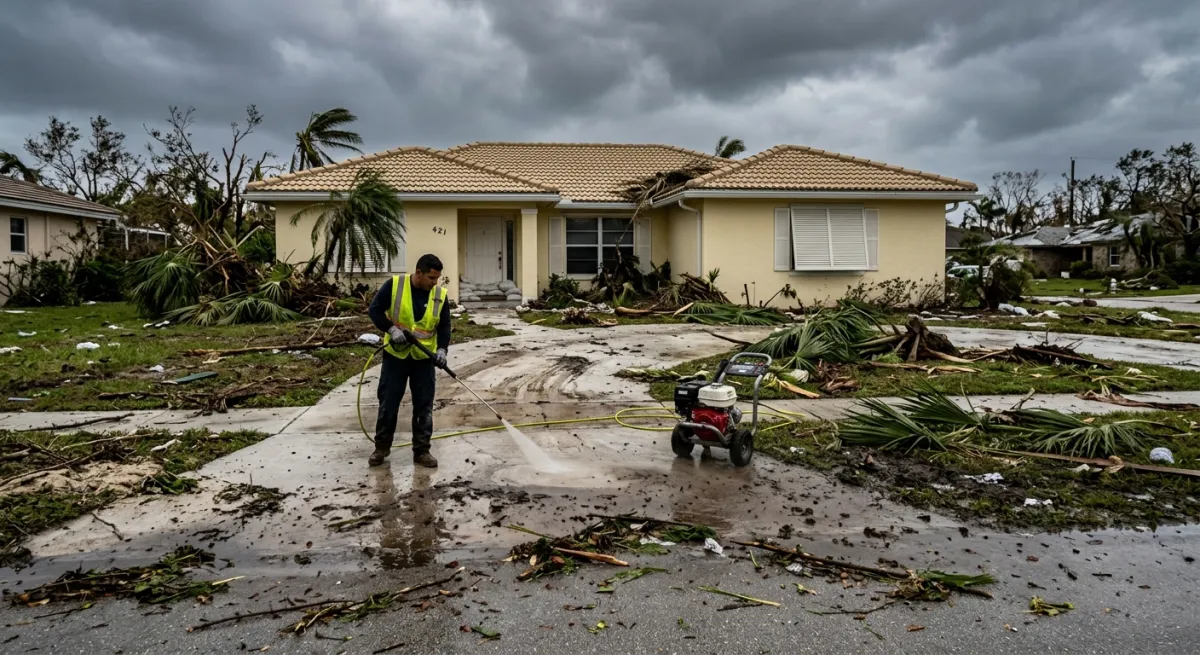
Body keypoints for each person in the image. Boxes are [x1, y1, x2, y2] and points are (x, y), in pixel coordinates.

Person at [366, 254, 451, 468]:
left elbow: (444, 326)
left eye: (437, 278)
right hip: (396, 356)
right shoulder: (395, 285)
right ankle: (381, 448)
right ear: (419, 273)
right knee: (388, 402)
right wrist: (391, 329)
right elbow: (374, 310)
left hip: (423, 359)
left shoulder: (439, 295)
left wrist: (442, 349)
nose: (435, 283)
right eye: (431, 278)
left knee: (424, 405)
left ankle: (422, 451)